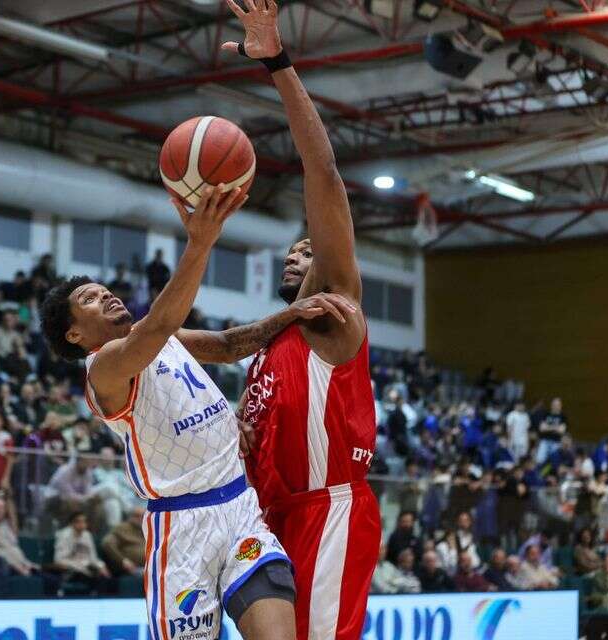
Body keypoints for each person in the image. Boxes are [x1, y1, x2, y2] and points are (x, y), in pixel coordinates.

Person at [41, 180, 350, 636]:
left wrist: (292, 312)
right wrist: (200, 243)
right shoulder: (103, 369)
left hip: (240, 507)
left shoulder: (159, 335)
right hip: (181, 530)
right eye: (89, 299)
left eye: (103, 290)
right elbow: (160, 323)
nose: (105, 295)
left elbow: (227, 345)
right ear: (75, 335)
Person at [220, 3, 380, 638]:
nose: (296, 252)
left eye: (309, 249)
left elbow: (324, 175)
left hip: (326, 512)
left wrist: (277, 64)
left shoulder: (334, 312)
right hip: (270, 518)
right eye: (292, 249)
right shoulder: (273, 340)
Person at [0, 496, 37, 577]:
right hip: (6, 568)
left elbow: (14, 547)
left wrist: (27, 564)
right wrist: (19, 568)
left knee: (47, 577)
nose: (0, 511)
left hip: (22, 565)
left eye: (2, 508)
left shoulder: (5, 527)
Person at [54, 512, 111, 592]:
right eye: (79, 522)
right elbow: (58, 559)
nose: (82, 524)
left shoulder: (87, 535)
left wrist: (101, 566)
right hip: (71, 570)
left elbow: (93, 558)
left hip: (87, 568)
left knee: (105, 576)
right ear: (71, 524)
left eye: (84, 522)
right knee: (91, 577)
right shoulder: (64, 535)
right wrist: (78, 566)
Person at [101, 506, 146, 577]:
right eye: (137, 516)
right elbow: (107, 543)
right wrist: (123, 560)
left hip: (149, 566)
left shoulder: (147, 529)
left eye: (143, 516)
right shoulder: (121, 528)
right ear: (130, 517)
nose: (140, 519)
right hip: (132, 568)